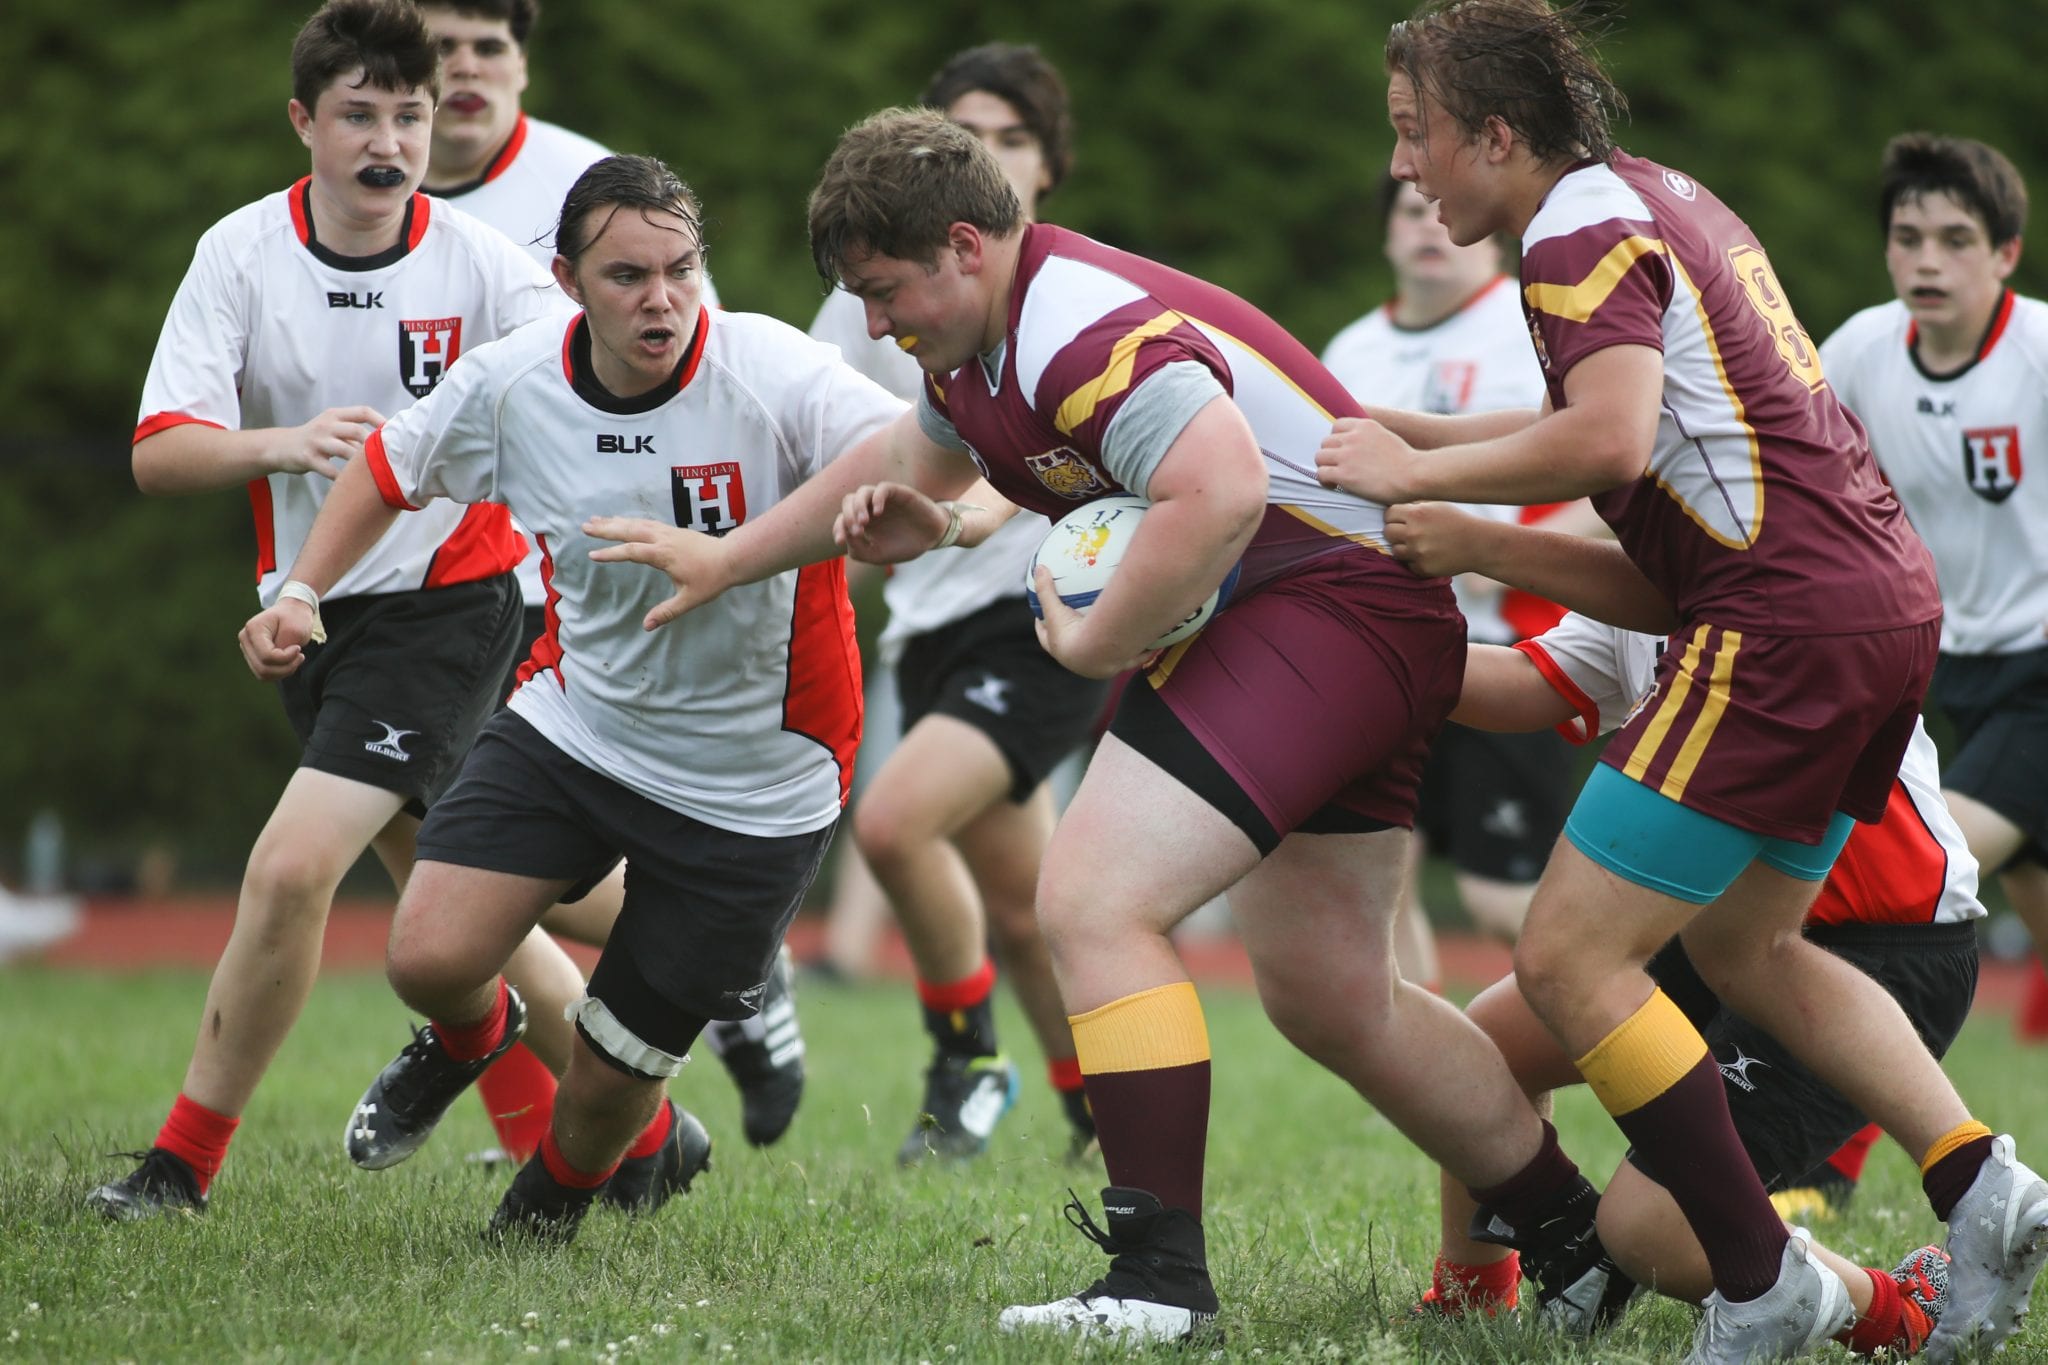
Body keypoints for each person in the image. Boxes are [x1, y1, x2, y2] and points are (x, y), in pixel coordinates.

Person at [585, 107, 1595, 1345]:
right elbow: (916, 452)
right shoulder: (987, 332)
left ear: (964, 245)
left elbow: (1218, 484)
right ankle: (1579, 1240)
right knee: (1336, 997)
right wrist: (742, 556)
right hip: (1338, 613)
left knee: (1092, 901)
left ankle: (1157, 1282)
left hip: (1332, 607)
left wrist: (1100, 636)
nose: (883, 325)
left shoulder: (1072, 328)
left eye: (887, 294)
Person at [1316, 3, 2048, 1358]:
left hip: (1783, 619)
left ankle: (1766, 1275)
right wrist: (1399, 432)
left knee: (1563, 954)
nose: (1406, 168)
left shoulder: (1573, 235)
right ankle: (1979, 1182)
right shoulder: (1652, 197)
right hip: (1872, 607)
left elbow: (1606, 439)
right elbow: (1624, 447)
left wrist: (1416, 478)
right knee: (1744, 944)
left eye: (1416, 134)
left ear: (1495, 130)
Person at [239, 153, 903, 1242]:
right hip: (579, 727)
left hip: (758, 781)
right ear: (565, 280)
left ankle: (540, 1211)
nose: (661, 299)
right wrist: (302, 589)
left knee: (603, 1093)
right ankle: (466, 1038)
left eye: (680, 270)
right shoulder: (512, 384)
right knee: (427, 955)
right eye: (627, 276)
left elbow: (912, 456)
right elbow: (389, 469)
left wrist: (931, 518)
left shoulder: (769, 370)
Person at [89, 0, 591, 1222]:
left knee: (288, 868)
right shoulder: (243, 253)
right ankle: (633, 1129)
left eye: (409, 116)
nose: (388, 140)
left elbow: (579, 388)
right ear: (304, 121)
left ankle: (180, 1167)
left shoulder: (483, 265)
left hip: (457, 603)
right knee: (455, 897)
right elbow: (161, 453)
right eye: (359, 114)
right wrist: (282, 444)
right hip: (312, 616)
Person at [1395, 501, 1976, 1358]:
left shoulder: (1793, 571)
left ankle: (1901, 1305)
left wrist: (1464, 520)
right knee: (1482, 1048)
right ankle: (1477, 1291)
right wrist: (1378, 651)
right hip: (1718, 930)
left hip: (1868, 944)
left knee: (1650, 1231)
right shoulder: (1644, 574)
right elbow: (1533, 681)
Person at [409, 0, 798, 1159]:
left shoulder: (590, 187)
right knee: (432, 871)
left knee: (380, 841)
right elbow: (401, 445)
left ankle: (539, 1068)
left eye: (488, 45)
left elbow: (694, 369)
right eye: (439, 52)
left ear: (522, 62)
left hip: (581, 594)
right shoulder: (368, 185)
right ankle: (560, 1057)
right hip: (443, 575)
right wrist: (298, 587)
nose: (464, 70)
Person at [809, 42, 1105, 1165]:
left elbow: (1039, 455)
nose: (989, 151)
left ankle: (966, 1059)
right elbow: (812, 438)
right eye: (965, 129)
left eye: (1012, 135)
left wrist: (968, 517)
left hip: (1039, 618)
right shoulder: (871, 302)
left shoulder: (1073, 299)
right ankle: (1093, 1103)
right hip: (923, 623)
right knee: (1024, 913)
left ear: (1044, 166)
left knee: (890, 822)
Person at [1323, 171, 1583, 979]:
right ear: (1386, 234)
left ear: (1493, 230)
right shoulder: (1350, 350)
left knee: (1504, 903)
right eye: (1408, 210)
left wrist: (1493, 562)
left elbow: (1619, 477)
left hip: (1509, 643)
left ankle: (1664, 1030)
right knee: (1381, 877)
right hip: (1382, 645)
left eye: (1443, 209)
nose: (1429, 227)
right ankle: (1445, 1094)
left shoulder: (1534, 326)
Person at [1822, 132, 2048, 1053]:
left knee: (1907, 888)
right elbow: (1772, 474)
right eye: (1908, 237)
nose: (1927, 259)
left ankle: (1829, 1158)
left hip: (2041, 674)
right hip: (1940, 668)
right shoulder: (1864, 350)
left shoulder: (2039, 352)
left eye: (1956, 239)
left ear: (2005, 253)